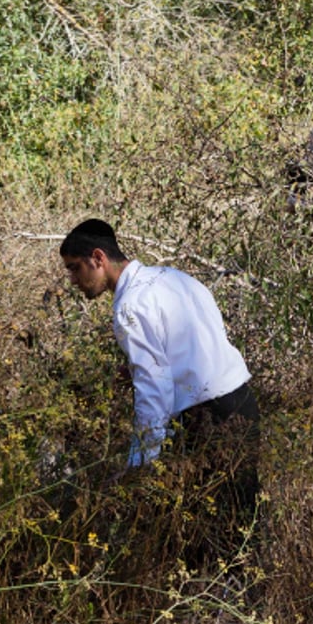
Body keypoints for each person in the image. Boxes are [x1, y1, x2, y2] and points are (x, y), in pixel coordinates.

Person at [59, 219, 260, 520]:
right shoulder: (175, 277)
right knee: (243, 525)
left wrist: (141, 464)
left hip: (209, 422)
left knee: (206, 539)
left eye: (75, 268)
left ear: (98, 258)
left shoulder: (129, 306)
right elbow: (206, 339)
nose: (73, 280)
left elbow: (154, 391)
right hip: (244, 406)